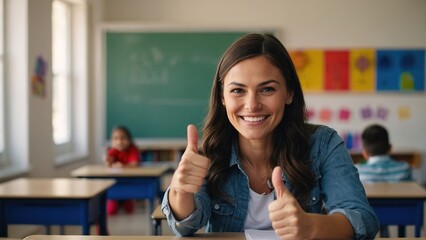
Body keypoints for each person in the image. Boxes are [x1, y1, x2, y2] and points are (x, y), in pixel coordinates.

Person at [161, 33, 379, 239]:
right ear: (222, 97)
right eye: (238, 90)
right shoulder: (209, 153)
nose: (252, 105)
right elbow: (185, 227)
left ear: (289, 93)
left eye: (267, 90)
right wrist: (180, 191)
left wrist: (309, 226)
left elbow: (362, 219)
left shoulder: (322, 144)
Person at [105, 125, 141, 215]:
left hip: (129, 183)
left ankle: (124, 201)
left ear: (129, 139)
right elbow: (108, 163)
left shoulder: (133, 150)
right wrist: (107, 160)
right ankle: (117, 201)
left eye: (123, 138)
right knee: (111, 211)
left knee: (129, 210)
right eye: (116, 139)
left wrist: (123, 166)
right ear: (112, 141)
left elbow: (135, 164)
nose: (119, 142)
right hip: (113, 184)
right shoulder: (113, 151)